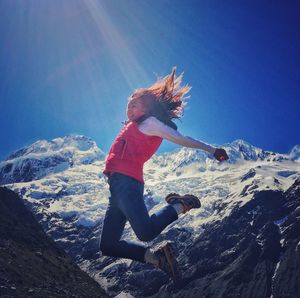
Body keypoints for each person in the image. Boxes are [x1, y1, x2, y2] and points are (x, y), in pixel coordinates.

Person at [100, 68, 229, 283]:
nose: (129, 108)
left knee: (145, 232)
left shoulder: (150, 124)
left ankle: (181, 204)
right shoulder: (134, 126)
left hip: (127, 184)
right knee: (107, 245)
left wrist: (212, 150)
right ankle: (156, 258)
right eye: (128, 105)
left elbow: (181, 139)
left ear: (148, 108)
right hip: (117, 189)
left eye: (135, 104)